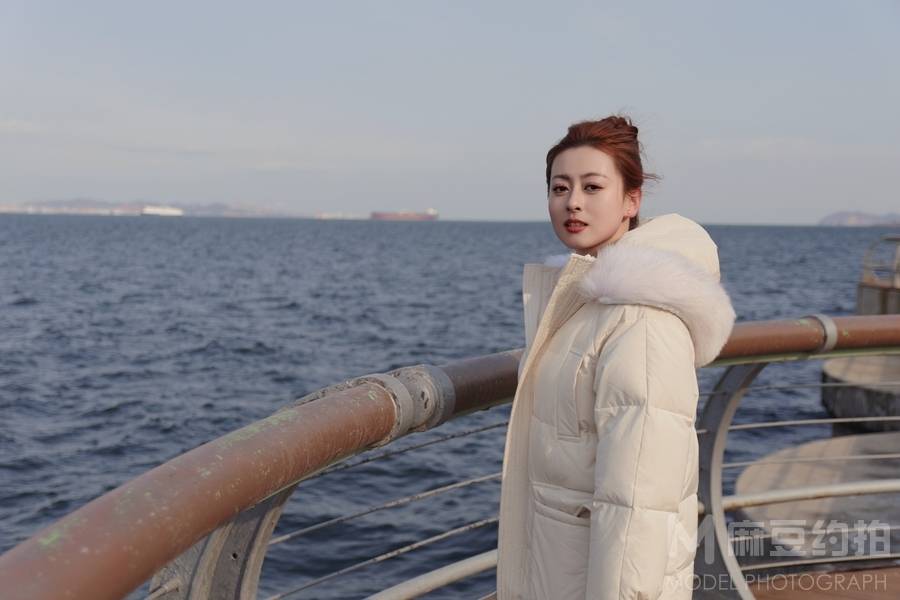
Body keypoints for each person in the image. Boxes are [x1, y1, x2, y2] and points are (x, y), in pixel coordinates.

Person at [495, 115, 736, 599]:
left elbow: (637, 505)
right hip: (565, 572)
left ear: (632, 200)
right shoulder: (591, 303)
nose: (573, 202)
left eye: (592, 186)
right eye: (559, 187)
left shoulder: (641, 319)